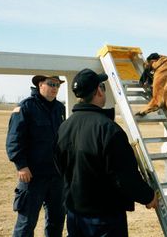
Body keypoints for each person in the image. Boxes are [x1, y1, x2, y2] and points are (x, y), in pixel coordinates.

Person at [54, 68, 158, 237]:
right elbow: (124, 176)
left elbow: (59, 166)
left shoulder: (64, 127)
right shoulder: (108, 129)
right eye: (102, 86)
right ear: (98, 91)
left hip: (74, 215)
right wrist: (147, 196)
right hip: (104, 219)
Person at [6, 75, 66, 237]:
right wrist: (21, 165)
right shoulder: (26, 107)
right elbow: (14, 139)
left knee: (57, 221)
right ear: (40, 84)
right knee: (26, 223)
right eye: (51, 84)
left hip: (56, 175)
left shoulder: (60, 108)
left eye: (57, 85)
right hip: (33, 176)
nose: (55, 88)